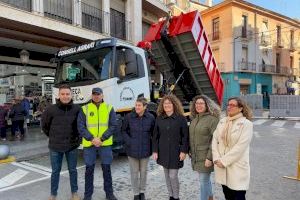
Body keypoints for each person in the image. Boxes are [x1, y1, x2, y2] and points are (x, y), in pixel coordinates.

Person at [41, 84, 81, 200]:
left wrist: (77, 139)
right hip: (55, 146)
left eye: (67, 94)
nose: (65, 96)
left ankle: (74, 193)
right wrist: (53, 136)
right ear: (58, 95)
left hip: (72, 146)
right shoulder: (50, 109)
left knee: (73, 170)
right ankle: (53, 194)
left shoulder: (77, 109)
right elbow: (44, 126)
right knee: (55, 171)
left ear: (71, 95)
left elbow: (81, 126)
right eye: (63, 94)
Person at [77, 87, 118, 200]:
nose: (96, 96)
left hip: (104, 144)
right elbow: (80, 127)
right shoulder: (84, 109)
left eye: (98, 94)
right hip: (90, 144)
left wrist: (102, 139)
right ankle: (88, 195)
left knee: (107, 169)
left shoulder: (109, 108)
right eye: (94, 94)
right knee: (89, 170)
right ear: (92, 96)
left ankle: (109, 194)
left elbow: (113, 125)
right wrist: (92, 139)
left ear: (102, 95)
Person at [212, 97, 253, 200]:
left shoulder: (246, 124)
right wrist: (216, 158)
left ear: (240, 108)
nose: (229, 107)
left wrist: (224, 161)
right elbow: (215, 140)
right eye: (228, 105)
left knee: (238, 196)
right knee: (228, 195)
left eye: (233, 105)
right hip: (221, 166)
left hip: (236, 167)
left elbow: (240, 147)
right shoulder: (222, 121)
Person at [152, 95, 189, 200]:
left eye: (169, 103)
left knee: (173, 175)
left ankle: (176, 197)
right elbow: (155, 136)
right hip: (162, 151)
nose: (167, 105)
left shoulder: (181, 118)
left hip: (176, 151)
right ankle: (171, 196)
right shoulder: (159, 118)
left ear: (174, 105)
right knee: (167, 176)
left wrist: (184, 151)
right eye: (165, 103)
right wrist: (155, 151)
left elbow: (185, 136)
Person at [122, 97, 155, 200]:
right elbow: (123, 131)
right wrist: (130, 142)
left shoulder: (151, 118)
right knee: (134, 173)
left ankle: (142, 192)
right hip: (132, 151)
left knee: (144, 172)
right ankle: (136, 193)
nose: (137, 107)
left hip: (146, 150)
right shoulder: (129, 117)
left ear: (145, 107)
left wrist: (154, 149)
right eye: (136, 105)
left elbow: (154, 134)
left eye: (139, 105)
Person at [189, 95, 220, 200]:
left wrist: (209, 158)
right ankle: (210, 197)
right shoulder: (194, 120)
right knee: (205, 180)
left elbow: (216, 140)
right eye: (197, 103)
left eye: (201, 103)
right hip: (196, 156)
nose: (199, 105)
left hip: (206, 157)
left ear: (207, 105)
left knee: (203, 181)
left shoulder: (212, 120)